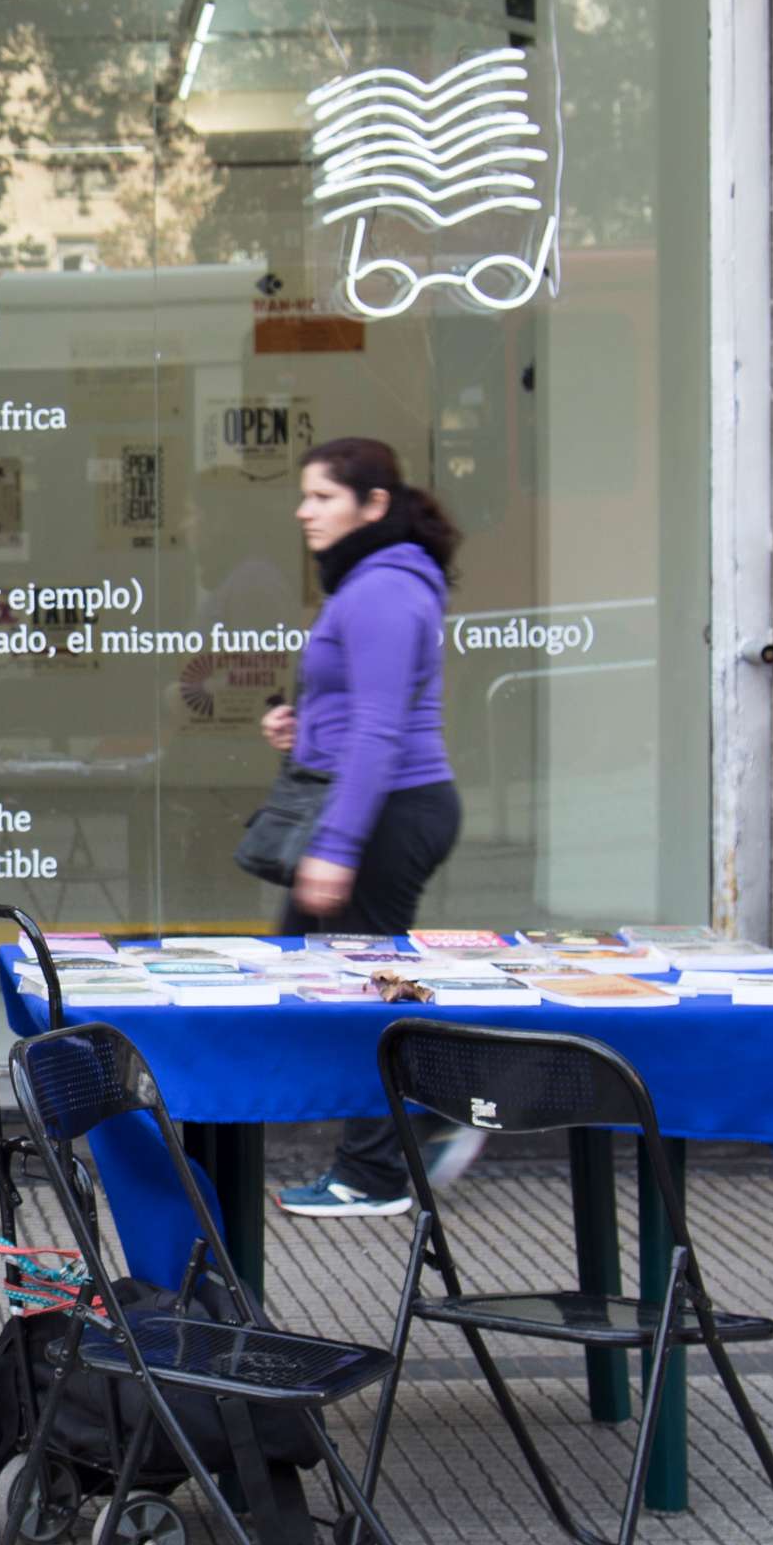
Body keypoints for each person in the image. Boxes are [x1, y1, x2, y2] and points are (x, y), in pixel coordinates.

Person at [266, 436, 469, 1219]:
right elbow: (361, 710)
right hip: (376, 806)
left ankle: (378, 1170)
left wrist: (336, 847)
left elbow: (384, 728)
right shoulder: (371, 584)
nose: (304, 510)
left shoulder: (384, 589)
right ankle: (421, 1120)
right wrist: (303, 726)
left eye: (322, 497)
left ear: (373, 505)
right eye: (305, 495)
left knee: (363, 991)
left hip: (387, 815)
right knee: (304, 975)